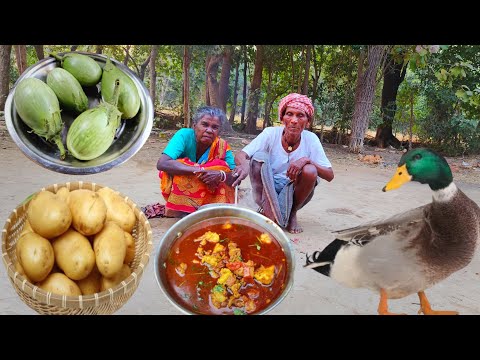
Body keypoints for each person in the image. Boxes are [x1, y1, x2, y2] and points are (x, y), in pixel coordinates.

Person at [232, 93, 334, 234]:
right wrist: (244, 165)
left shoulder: (311, 139)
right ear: (282, 118)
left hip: (294, 191)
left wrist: (306, 160)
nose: (293, 120)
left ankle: (292, 213)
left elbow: (329, 175)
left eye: (300, 116)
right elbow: (242, 155)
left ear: (308, 121)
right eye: (289, 114)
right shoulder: (270, 134)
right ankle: (264, 208)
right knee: (258, 158)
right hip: (268, 188)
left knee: (310, 170)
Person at [156, 106, 236, 218]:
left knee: (222, 168)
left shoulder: (222, 146)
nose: (209, 130)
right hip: (181, 191)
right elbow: (162, 163)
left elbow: (235, 175)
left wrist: (220, 175)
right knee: (181, 166)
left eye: (214, 127)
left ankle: (213, 211)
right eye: (204, 124)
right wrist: (200, 170)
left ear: (219, 132)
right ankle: (179, 210)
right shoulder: (184, 135)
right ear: (194, 126)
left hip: (210, 196)